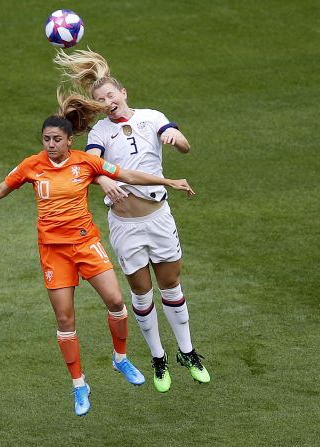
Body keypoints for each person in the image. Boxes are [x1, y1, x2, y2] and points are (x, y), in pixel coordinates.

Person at [0, 115, 195, 416]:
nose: (50, 145)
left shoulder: (86, 162)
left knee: (116, 301)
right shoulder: (31, 166)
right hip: (53, 252)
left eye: (56, 139)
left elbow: (127, 174)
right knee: (65, 319)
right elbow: (0, 189)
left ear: (68, 140)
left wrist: (168, 181)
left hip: (86, 244)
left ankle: (120, 358)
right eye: (46, 139)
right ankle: (79, 385)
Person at [53, 48, 211, 393]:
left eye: (111, 95)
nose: (108, 101)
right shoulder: (99, 135)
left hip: (159, 217)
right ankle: (158, 358)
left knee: (171, 285)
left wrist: (176, 138)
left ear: (123, 94)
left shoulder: (153, 117)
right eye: (100, 99)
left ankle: (188, 351)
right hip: (125, 226)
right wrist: (103, 179)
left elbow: (184, 146)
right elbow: (90, 166)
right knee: (141, 293)